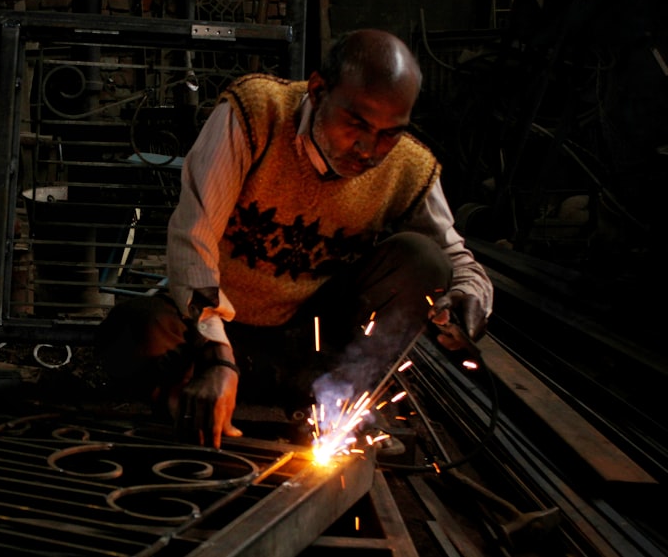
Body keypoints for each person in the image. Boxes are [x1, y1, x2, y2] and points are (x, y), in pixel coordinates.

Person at [95, 28, 493, 449]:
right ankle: (205, 403)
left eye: (388, 133)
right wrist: (216, 355)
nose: (369, 149)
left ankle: (333, 408)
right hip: (217, 333)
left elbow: (459, 261)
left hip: (309, 347)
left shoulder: (408, 166)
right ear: (319, 90)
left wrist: (467, 298)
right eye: (355, 123)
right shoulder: (255, 113)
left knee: (423, 259)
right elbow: (193, 238)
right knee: (132, 331)